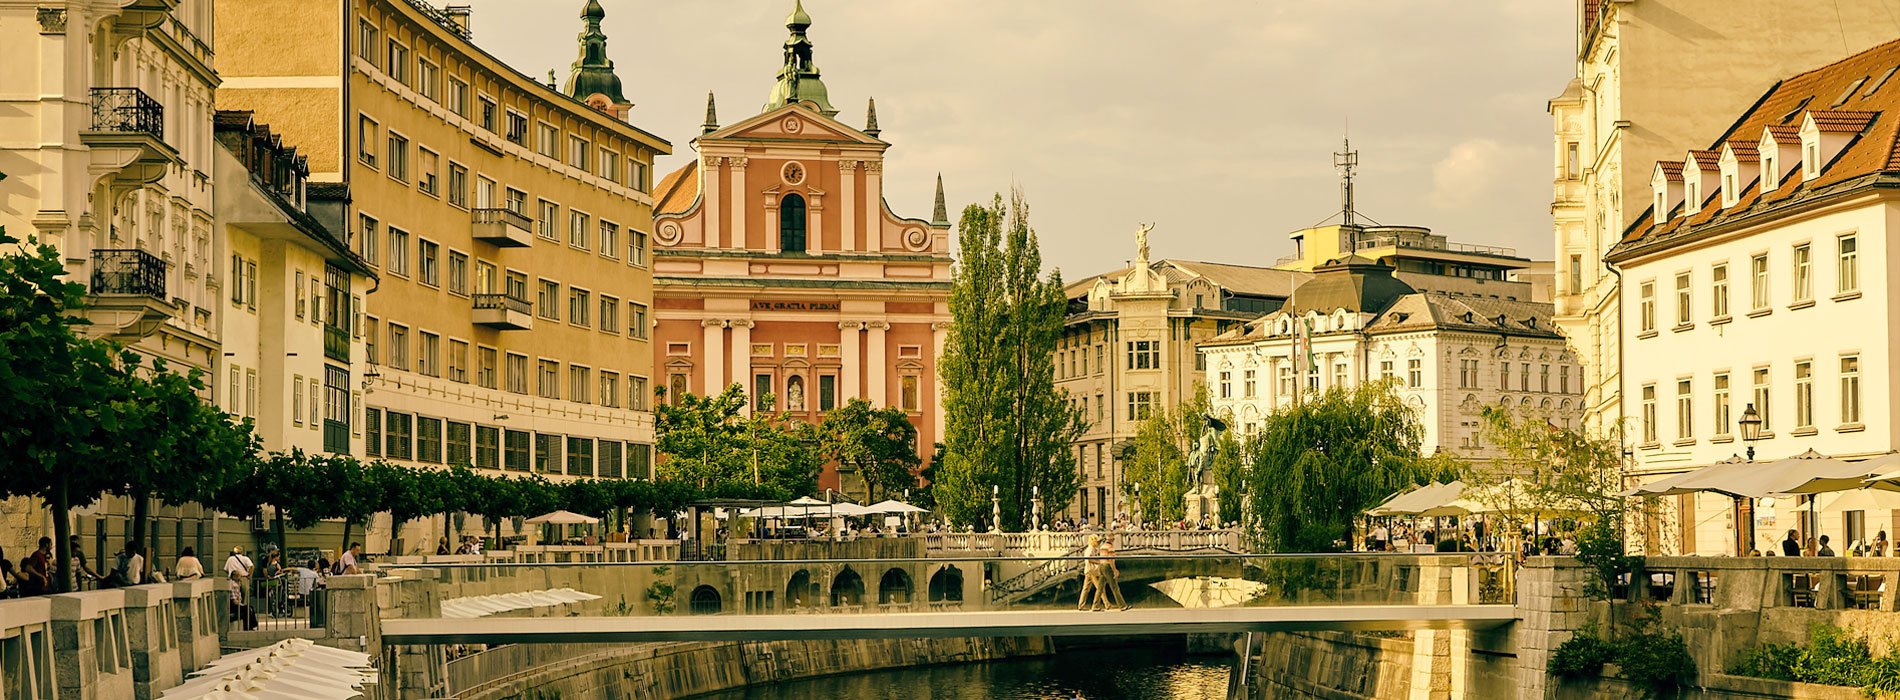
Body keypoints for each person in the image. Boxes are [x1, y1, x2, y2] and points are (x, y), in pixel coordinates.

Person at [224, 546, 255, 630]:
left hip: (233, 578)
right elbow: (252, 566)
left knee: (237, 595)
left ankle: (242, 611)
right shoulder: (245, 558)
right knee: (243, 598)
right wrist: (249, 575)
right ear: (242, 552)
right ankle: (247, 620)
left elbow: (225, 569)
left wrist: (231, 573)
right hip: (244, 577)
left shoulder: (230, 559)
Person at [1096, 536, 1128, 611]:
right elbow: (1111, 560)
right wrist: (1114, 570)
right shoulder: (1111, 547)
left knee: (1100, 588)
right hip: (1107, 566)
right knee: (1114, 587)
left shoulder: (1102, 546)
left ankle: (1095, 605)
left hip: (1101, 566)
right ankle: (1122, 605)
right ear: (1112, 540)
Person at [1075, 535, 1102, 611]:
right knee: (1099, 587)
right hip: (1091, 571)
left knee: (1086, 588)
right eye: (1097, 541)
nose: (1099, 543)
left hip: (1089, 570)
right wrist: (1098, 562)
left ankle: (1081, 605)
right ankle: (1099, 605)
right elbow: (1089, 559)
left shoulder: (1092, 549)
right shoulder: (1091, 549)